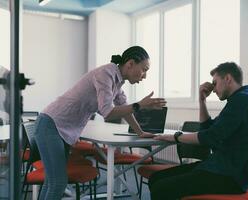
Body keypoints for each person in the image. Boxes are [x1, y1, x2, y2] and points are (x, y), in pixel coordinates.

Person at [34, 46, 166, 199]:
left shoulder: (117, 81)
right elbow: (107, 112)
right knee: (57, 183)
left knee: (53, 182)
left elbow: (124, 108)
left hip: (58, 127)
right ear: (130, 63)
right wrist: (140, 105)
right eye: (144, 69)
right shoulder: (106, 74)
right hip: (51, 124)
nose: (145, 76)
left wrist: (140, 132)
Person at [150, 62, 248, 200]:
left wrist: (176, 137)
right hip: (219, 167)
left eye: (215, 83)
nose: (214, 89)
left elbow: (210, 137)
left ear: (227, 78)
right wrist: (202, 100)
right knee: (155, 178)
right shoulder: (240, 99)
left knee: (160, 188)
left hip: (228, 175)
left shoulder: (243, 99)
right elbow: (207, 128)